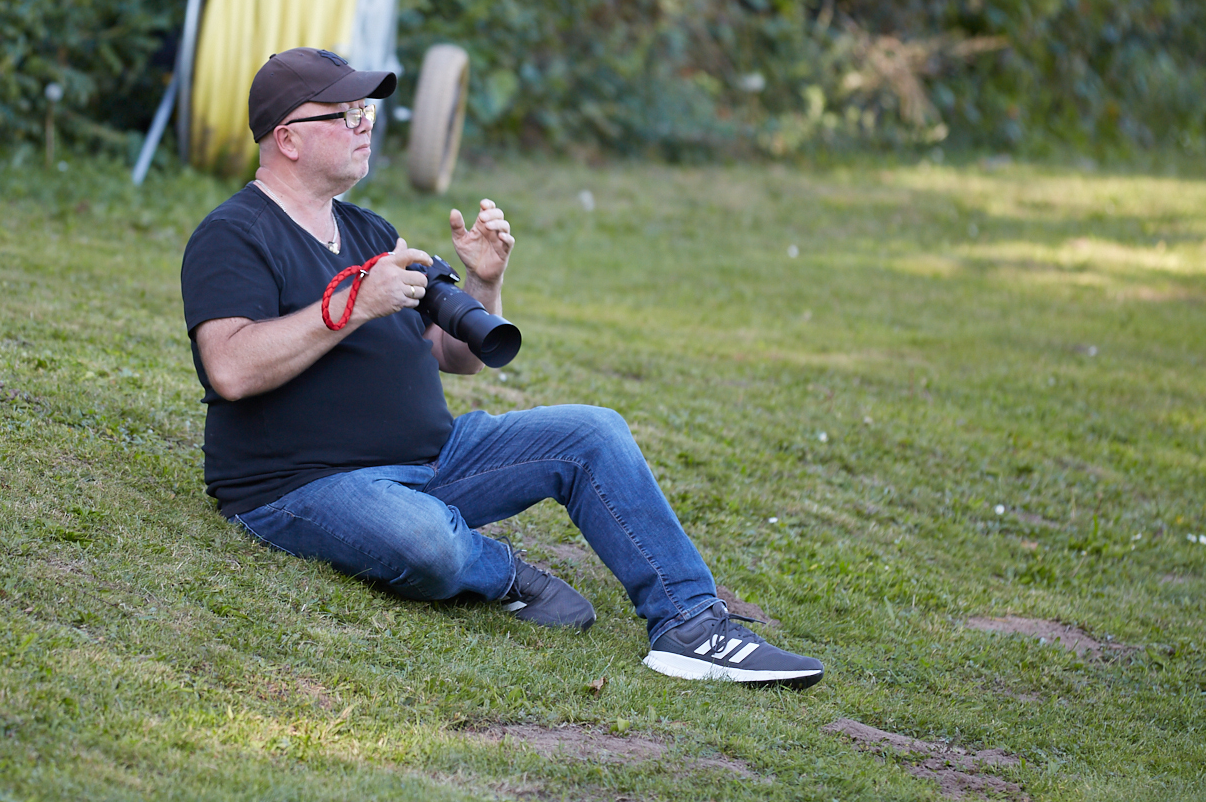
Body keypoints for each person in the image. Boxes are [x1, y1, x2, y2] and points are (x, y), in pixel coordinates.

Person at [179, 47, 824, 687]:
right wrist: (354, 306)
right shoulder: (234, 233)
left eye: (366, 112)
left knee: (594, 432)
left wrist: (485, 283)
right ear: (288, 138)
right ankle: (504, 573)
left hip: (435, 460)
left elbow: (455, 357)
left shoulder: (370, 230)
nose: (365, 125)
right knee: (427, 542)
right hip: (304, 483)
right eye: (345, 114)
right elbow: (230, 368)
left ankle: (691, 625)